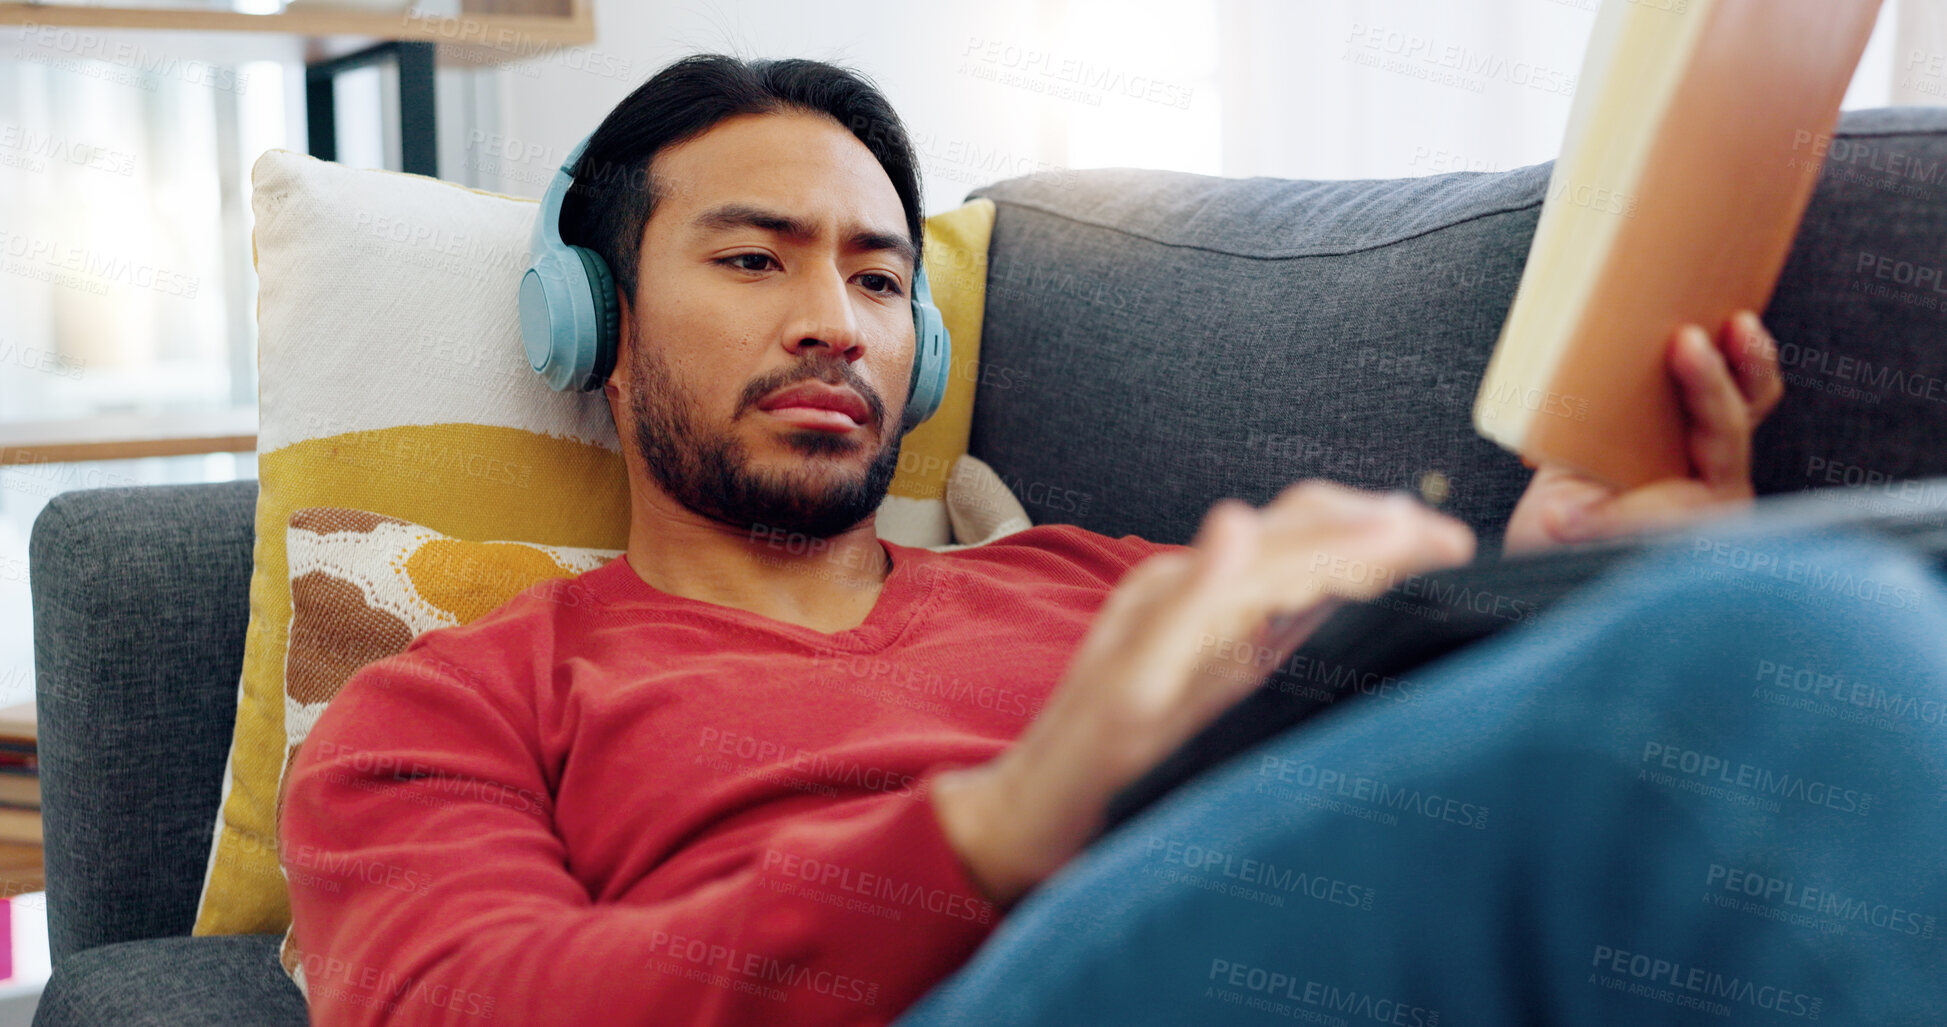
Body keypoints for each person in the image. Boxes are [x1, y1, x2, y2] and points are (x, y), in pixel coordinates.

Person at [281, 54, 1939, 1027]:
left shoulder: (1099, 582)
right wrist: (999, 823)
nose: (834, 323)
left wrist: (1573, 575)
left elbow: (1402, 787)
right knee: (1788, 650)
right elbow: (472, 1007)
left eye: (875, 278)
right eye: (751, 261)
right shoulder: (446, 707)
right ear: (601, 330)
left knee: (1821, 607)